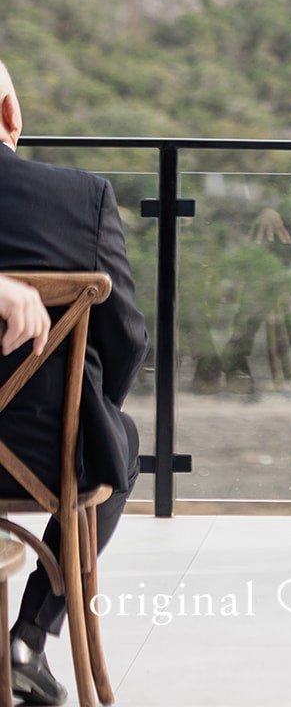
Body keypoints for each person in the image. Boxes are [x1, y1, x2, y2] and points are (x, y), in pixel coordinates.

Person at [0, 59, 148, 707]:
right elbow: (127, 340)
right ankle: (30, 636)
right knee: (118, 441)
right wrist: (85, 409)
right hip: (40, 456)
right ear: (10, 114)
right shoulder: (79, 198)